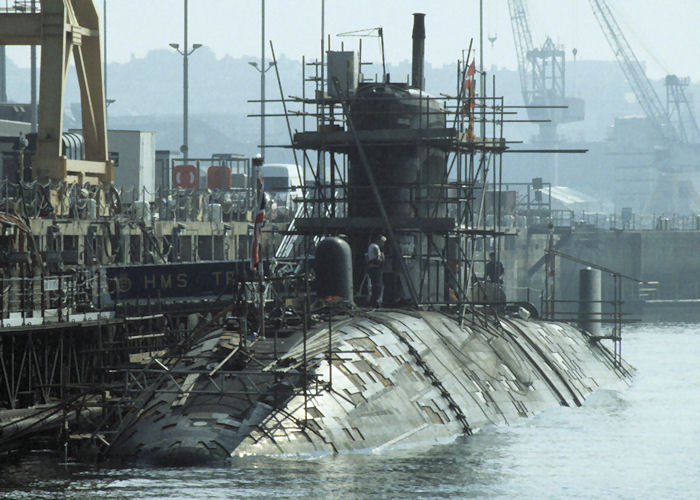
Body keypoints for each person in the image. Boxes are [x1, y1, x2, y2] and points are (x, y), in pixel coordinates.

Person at [367, 235, 386, 307]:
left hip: (374, 267)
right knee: (377, 284)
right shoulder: (375, 246)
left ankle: (374, 300)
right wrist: (382, 256)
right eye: (382, 242)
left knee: (376, 284)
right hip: (375, 267)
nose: (383, 244)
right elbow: (378, 257)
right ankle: (375, 301)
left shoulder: (372, 246)